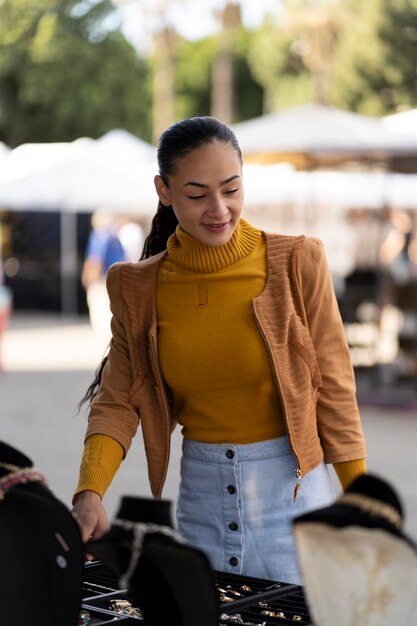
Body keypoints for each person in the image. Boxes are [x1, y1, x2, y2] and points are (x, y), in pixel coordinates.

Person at [72, 116, 367, 585]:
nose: (219, 209)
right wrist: (90, 492)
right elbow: (118, 399)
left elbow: (334, 390)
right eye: (196, 194)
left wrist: (362, 502)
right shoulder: (135, 285)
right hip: (201, 506)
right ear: (164, 191)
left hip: (294, 502)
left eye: (231, 189)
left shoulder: (298, 261)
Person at [81, 207, 126, 336]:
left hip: (102, 277)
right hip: (115, 276)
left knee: (99, 305)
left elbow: (95, 259)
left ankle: (104, 334)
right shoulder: (114, 237)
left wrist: (89, 276)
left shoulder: (100, 236)